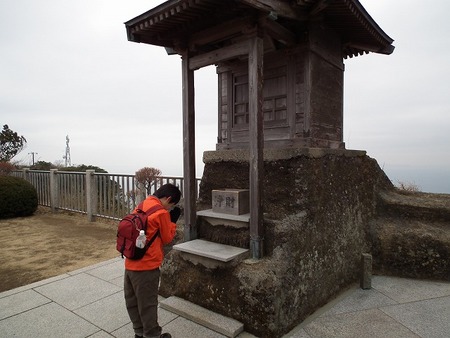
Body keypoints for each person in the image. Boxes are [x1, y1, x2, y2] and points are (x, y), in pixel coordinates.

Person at [124, 183, 181, 338]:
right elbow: (167, 238)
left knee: (132, 301)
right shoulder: (161, 212)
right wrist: (173, 221)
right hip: (147, 266)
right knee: (148, 304)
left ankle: (139, 332)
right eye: (171, 205)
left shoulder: (142, 204)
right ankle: (152, 335)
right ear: (168, 198)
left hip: (130, 261)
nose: (169, 208)